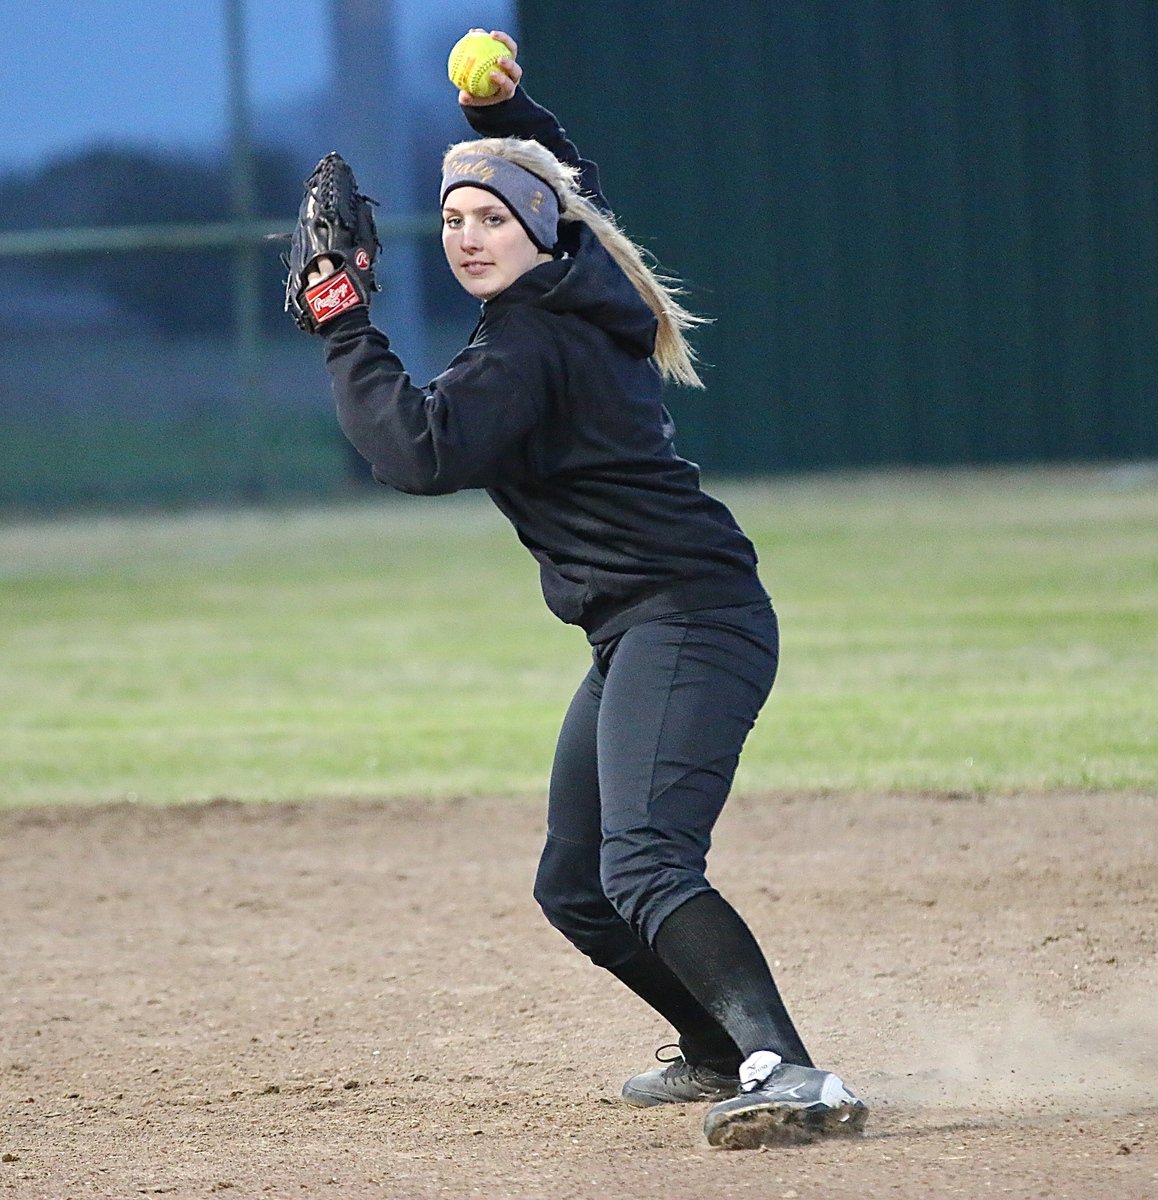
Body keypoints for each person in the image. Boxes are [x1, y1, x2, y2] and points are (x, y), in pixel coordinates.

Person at [301, 30, 867, 1149]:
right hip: (641, 627)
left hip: (689, 619)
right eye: (453, 217)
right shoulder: (578, 284)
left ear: (538, 230)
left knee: (646, 864)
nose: (468, 236)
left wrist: (342, 324)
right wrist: (505, 121)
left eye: (491, 217)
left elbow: (420, 451)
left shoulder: (532, 341)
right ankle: (718, 1049)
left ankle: (792, 1072)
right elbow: (577, 193)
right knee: (578, 887)